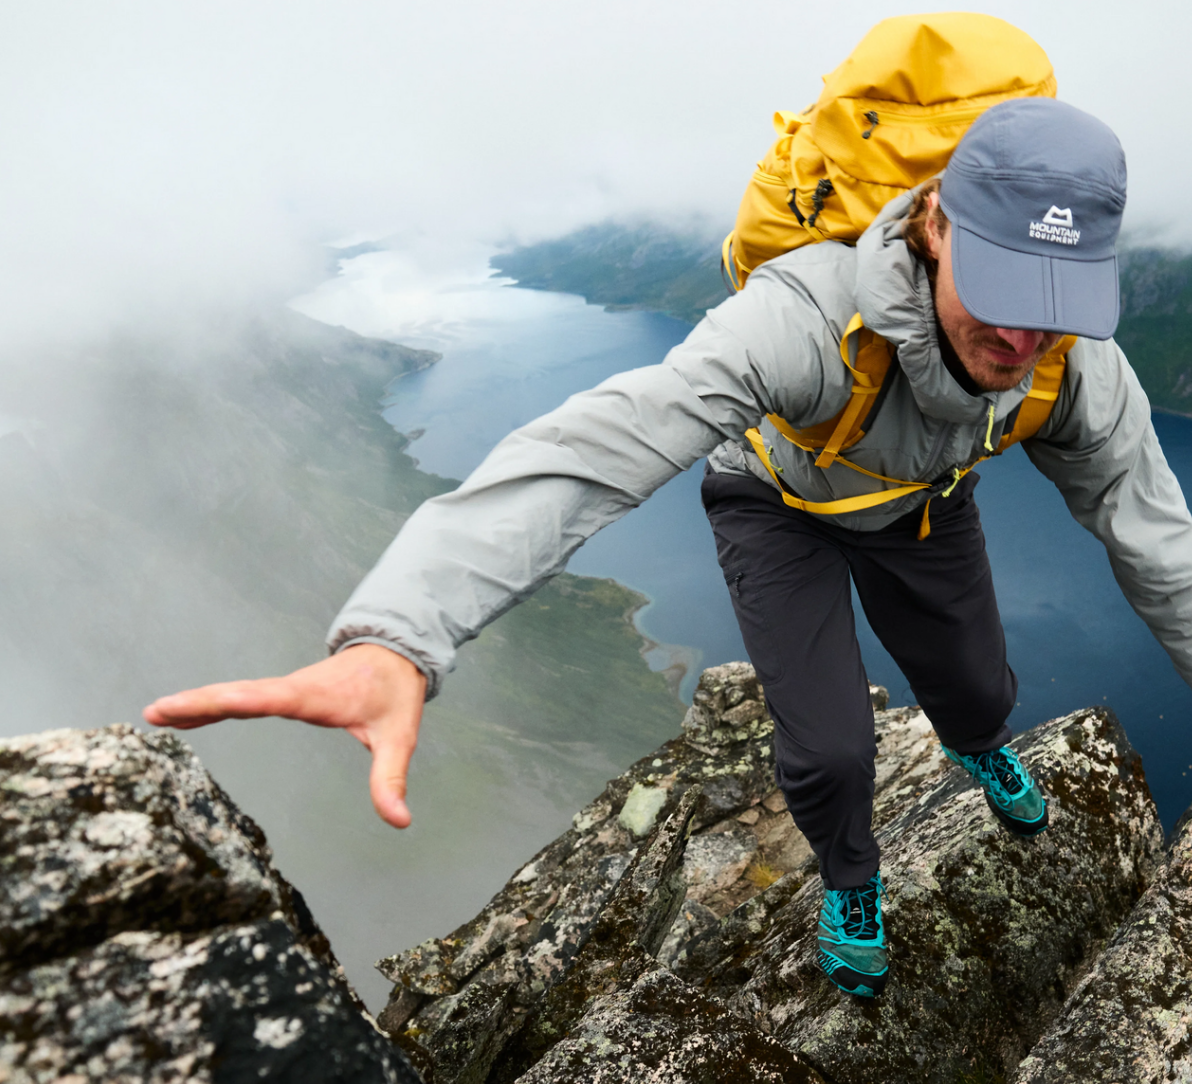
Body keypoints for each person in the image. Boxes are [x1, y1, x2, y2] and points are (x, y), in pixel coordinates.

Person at [146, 97, 1192, 998]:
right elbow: (598, 447)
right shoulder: (805, 322)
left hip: (920, 503)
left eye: (1056, 307)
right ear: (934, 220)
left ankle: (975, 741)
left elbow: (1158, 540)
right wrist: (401, 634)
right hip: (774, 504)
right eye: (1005, 289)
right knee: (829, 748)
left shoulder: (1074, 370)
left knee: (977, 690)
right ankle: (851, 885)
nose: (1021, 341)